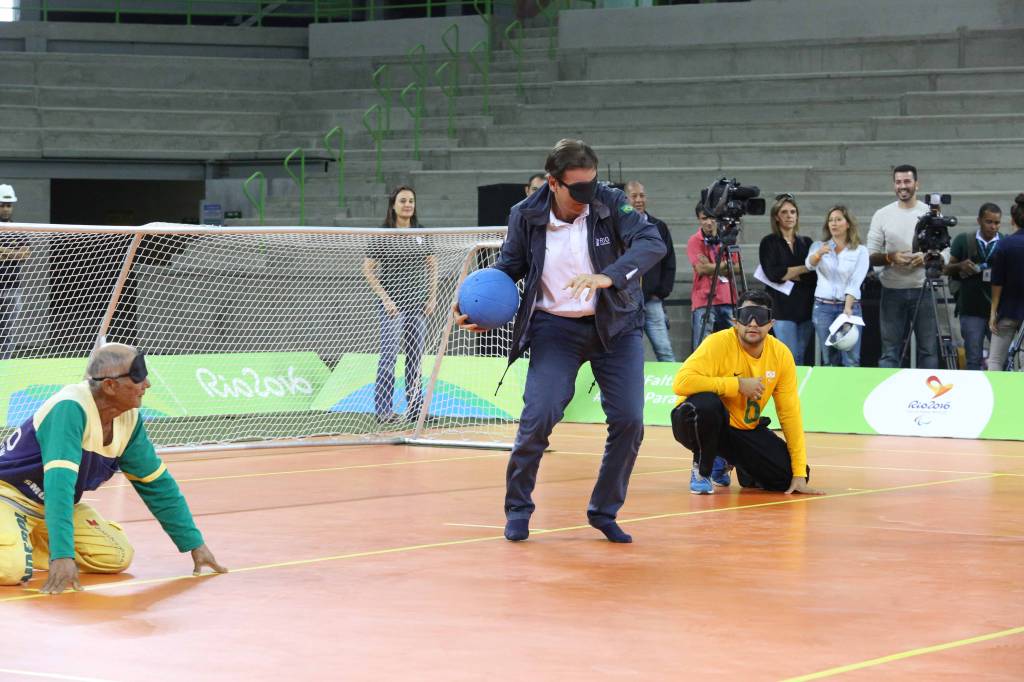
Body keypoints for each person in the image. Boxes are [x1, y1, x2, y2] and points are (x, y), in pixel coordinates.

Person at [454, 139, 666, 543]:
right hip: (556, 329)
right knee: (539, 417)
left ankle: (604, 511)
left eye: (592, 185)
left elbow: (651, 242)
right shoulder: (525, 215)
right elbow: (509, 267)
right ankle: (518, 508)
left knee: (629, 420)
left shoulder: (610, 202)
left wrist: (610, 276)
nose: (588, 197)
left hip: (615, 326)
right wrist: (479, 309)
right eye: (578, 189)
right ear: (553, 183)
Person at [0, 343, 226, 593]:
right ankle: (18, 549)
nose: (147, 384)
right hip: (8, 497)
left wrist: (194, 543)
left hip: (47, 509)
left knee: (116, 556)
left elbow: (156, 484)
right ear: (110, 385)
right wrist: (61, 555)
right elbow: (59, 487)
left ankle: (23, 544)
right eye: (138, 376)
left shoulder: (128, 420)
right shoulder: (69, 408)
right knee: (11, 569)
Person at [670, 290, 824, 496]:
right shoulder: (717, 343)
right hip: (696, 421)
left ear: (771, 324)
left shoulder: (781, 355)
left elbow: (790, 413)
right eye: (746, 316)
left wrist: (798, 470)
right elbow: (681, 383)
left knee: (790, 477)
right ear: (735, 321)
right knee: (706, 404)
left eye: (760, 317)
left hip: (743, 428)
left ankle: (733, 461)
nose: (753, 323)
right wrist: (737, 385)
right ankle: (703, 468)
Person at [363, 186, 439, 423]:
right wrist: (385, 299)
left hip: (418, 306)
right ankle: (383, 412)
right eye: (403, 200)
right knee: (388, 358)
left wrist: (432, 297)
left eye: (411, 201)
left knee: (415, 359)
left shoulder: (421, 233)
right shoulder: (383, 234)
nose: (408, 204)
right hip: (392, 307)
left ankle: (416, 409)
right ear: (393, 205)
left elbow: (432, 265)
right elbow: (367, 269)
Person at [866, 165, 935, 368]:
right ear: (894, 185)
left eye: (907, 181)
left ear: (916, 184)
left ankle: (930, 398)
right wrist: (890, 257)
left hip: (923, 289)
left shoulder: (929, 213)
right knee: (889, 352)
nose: (902, 186)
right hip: (891, 290)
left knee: (928, 351)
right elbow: (870, 255)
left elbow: (945, 252)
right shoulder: (882, 214)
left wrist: (926, 257)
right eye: (898, 182)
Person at [805, 205, 870, 367]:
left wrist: (847, 309)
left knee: (851, 358)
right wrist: (819, 254)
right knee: (829, 359)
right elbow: (809, 265)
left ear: (848, 224)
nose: (834, 223)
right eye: (831, 220)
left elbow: (856, 281)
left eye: (838, 219)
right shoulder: (818, 246)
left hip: (850, 307)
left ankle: (851, 392)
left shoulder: (860, 250)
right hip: (823, 307)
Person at [944, 203, 1004, 370]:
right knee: (973, 360)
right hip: (971, 309)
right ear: (979, 220)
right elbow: (946, 269)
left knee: (1002, 360)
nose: (993, 226)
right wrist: (960, 266)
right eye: (988, 222)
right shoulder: (963, 240)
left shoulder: (1005, 243)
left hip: (999, 311)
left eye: (997, 223)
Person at [758, 194, 816, 364]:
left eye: (792, 212)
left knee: (801, 356)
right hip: (781, 308)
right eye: (784, 212)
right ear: (776, 216)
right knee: (790, 357)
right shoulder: (769, 242)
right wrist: (804, 268)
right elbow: (773, 274)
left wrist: (788, 273)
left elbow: (813, 276)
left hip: (805, 307)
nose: (789, 215)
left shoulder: (806, 242)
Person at [625, 180, 676, 362]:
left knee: (664, 350)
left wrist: (662, 291)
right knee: (629, 354)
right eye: (634, 196)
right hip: (627, 303)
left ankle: (674, 390)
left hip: (653, 301)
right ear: (625, 199)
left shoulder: (658, 226)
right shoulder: (617, 226)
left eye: (642, 195)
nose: (639, 200)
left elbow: (669, 260)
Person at [688, 204, 736, 353]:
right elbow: (701, 269)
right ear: (699, 219)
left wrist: (712, 266)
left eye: (712, 218)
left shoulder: (728, 238)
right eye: (704, 218)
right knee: (702, 348)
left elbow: (736, 267)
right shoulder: (694, 241)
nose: (709, 222)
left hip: (728, 297)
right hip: (703, 299)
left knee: (736, 345)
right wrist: (724, 265)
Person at [988, 194, 1024, 371]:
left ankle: (995, 398)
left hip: (1008, 310)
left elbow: (997, 283)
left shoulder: (1005, 244)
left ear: (1012, 220)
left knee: (994, 360)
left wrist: (993, 311)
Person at [0, 184, 29, 360]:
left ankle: (5, 367)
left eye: (8, 205)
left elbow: (25, 254)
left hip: (13, 289)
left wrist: (2, 250)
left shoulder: (18, 229)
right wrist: (13, 253)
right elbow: (19, 254)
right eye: (2, 204)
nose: (5, 208)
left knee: (7, 333)